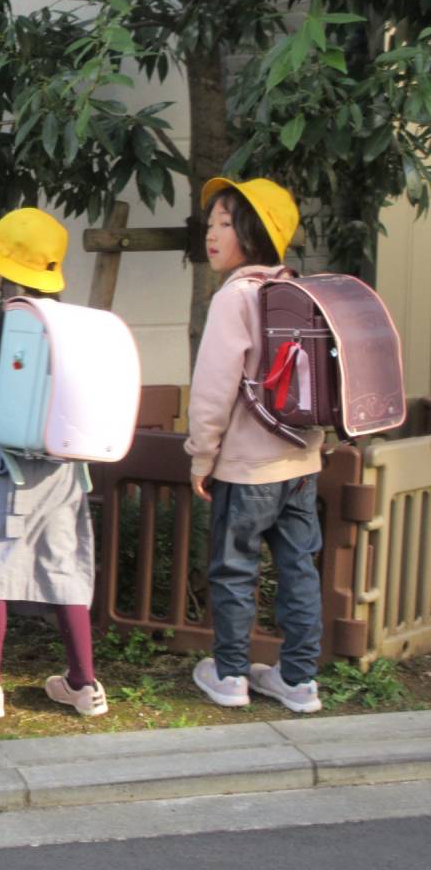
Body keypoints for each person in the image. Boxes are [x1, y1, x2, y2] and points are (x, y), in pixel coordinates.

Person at [0, 209, 108, 720]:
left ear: (3, 268)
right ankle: (84, 683)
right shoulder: (72, 322)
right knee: (63, 561)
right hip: (62, 462)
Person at [187, 177, 324, 713]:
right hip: (302, 461)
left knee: (234, 570)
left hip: (247, 468)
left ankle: (230, 675)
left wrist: (202, 454)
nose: (211, 234)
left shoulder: (235, 297)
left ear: (253, 233)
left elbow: (213, 387)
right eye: (211, 224)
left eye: (224, 223)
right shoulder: (298, 289)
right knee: (299, 569)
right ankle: (299, 681)